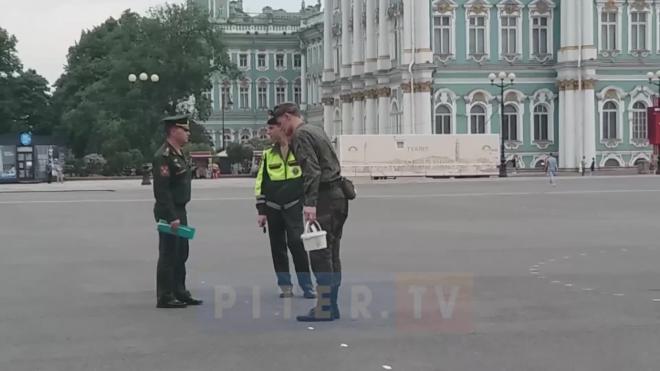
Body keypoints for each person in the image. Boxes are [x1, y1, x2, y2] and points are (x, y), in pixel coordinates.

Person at [271, 102, 350, 322]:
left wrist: (310, 204)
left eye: (279, 123)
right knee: (332, 254)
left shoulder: (301, 135)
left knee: (319, 255)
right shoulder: (316, 129)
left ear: (287, 117)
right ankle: (330, 305)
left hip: (325, 199)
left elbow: (312, 171)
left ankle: (324, 308)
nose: (280, 129)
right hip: (339, 196)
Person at [255, 117, 316, 299]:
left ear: (281, 128)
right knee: (277, 247)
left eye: (271, 128)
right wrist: (261, 211)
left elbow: (308, 176)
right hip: (273, 207)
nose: (268, 132)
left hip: (293, 205)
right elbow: (261, 182)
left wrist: (309, 202)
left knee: (297, 244)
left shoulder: (297, 150)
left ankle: (307, 285)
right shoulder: (268, 154)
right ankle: (285, 286)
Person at [152, 115, 203, 309]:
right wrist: (171, 216)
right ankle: (165, 295)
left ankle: (179, 291)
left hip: (180, 209)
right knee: (168, 253)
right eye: (185, 130)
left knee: (181, 252)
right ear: (173, 131)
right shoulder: (163, 156)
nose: (188, 133)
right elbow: (162, 191)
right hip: (169, 211)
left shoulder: (178, 153)